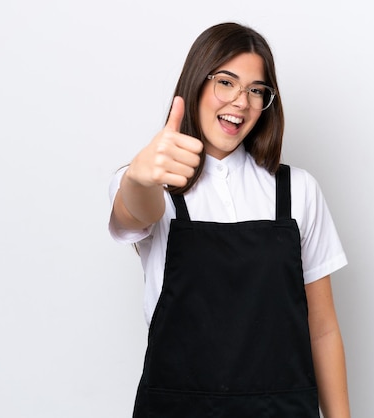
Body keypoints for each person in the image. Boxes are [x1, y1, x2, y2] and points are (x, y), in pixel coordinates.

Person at [108, 22, 351, 418]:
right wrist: (139, 176)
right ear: (196, 84)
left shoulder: (298, 191)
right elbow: (134, 210)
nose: (241, 101)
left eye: (256, 90)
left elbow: (322, 329)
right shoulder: (151, 184)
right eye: (226, 82)